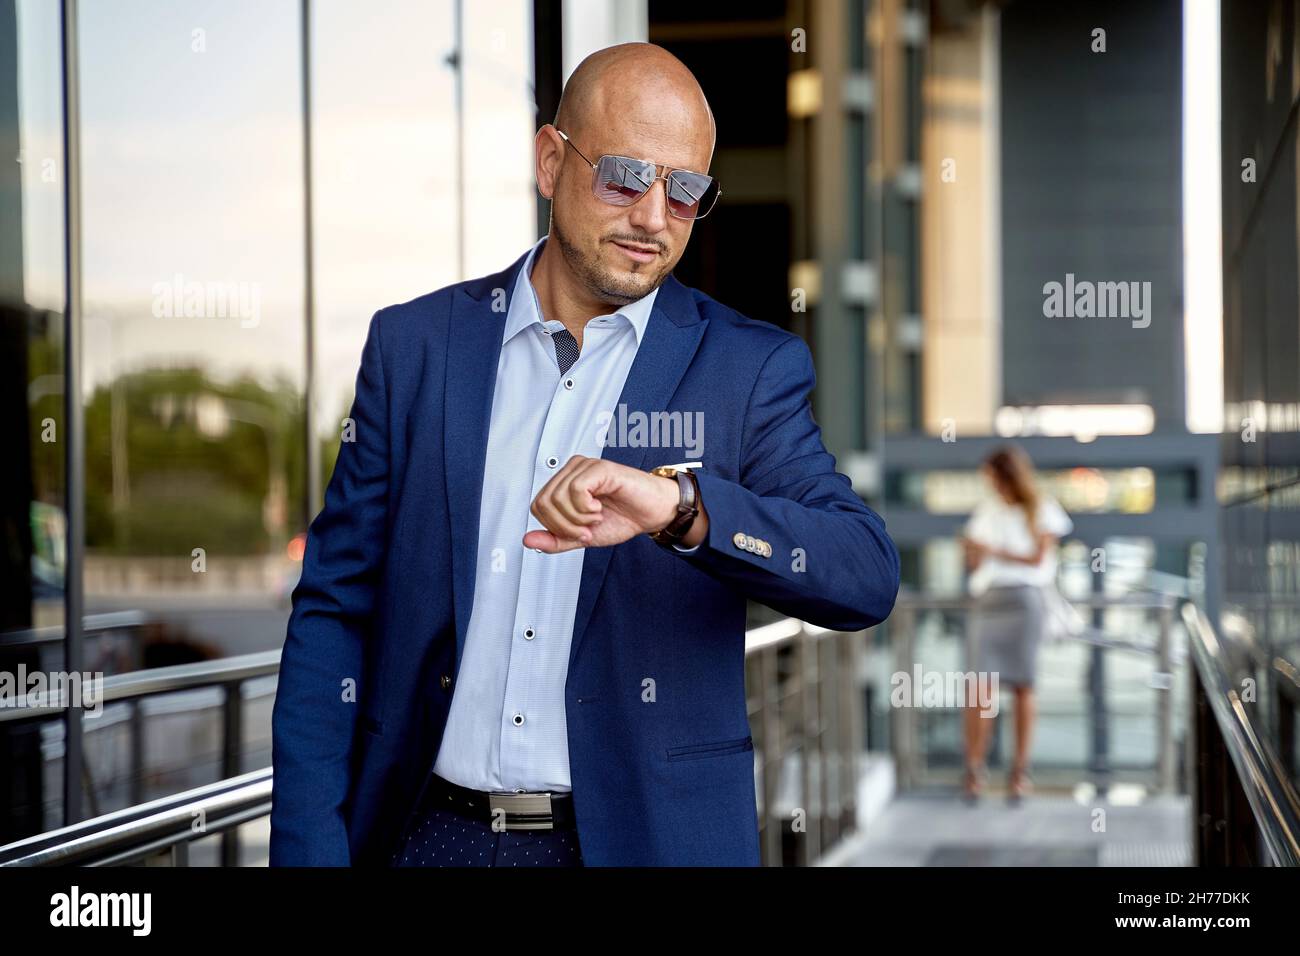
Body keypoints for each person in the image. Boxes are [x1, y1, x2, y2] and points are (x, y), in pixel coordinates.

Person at [269, 42, 900, 867]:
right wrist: (310, 849)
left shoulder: (747, 371)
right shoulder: (416, 348)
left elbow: (865, 572)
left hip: (648, 845)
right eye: (627, 177)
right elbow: (333, 612)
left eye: (685, 193)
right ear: (549, 161)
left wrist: (683, 510)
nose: (651, 218)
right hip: (428, 837)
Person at [959, 445, 1072, 805]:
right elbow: (974, 562)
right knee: (980, 688)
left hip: (1025, 602)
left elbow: (1037, 557)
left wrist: (991, 550)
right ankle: (975, 769)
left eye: (992, 475)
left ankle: (1019, 773)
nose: (989, 483)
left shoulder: (1042, 508)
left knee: (1024, 686)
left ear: (1006, 474)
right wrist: (976, 552)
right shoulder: (986, 510)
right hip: (989, 602)